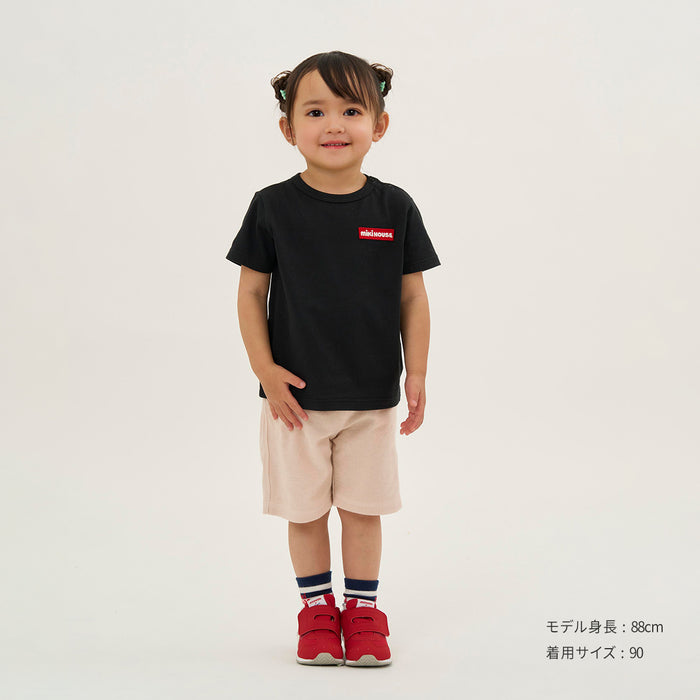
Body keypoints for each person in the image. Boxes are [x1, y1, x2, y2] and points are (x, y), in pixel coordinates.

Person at [226, 50, 440, 666]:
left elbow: (413, 297)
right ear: (288, 127)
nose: (334, 125)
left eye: (351, 110)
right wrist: (264, 370)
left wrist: (417, 371)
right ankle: (317, 612)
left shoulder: (394, 207)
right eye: (315, 111)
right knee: (305, 511)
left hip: (371, 398)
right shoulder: (272, 206)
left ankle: (364, 611)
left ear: (380, 123)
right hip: (294, 400)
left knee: (363, 509)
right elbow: (250, 292)